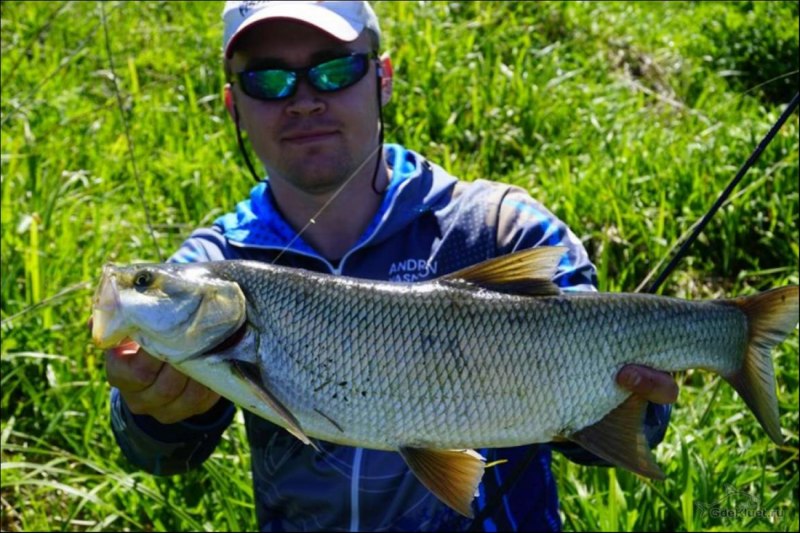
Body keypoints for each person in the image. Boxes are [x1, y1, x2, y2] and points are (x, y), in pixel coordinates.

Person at [104, 2, 678, 531]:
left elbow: (637, 417)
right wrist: (154, 410)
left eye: (334, 71)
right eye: (268, 80)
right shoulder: (212, 267)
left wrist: (627, 402)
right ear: (234, 103)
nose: (304, 100)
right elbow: (154, 457)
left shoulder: (502, 227)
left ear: (382, 77)